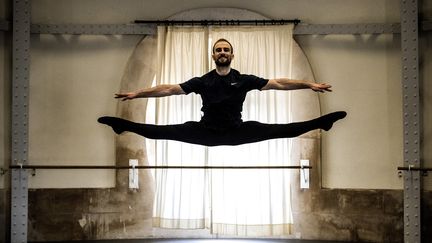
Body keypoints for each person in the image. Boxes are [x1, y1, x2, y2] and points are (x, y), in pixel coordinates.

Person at [98, 38, 346, 146]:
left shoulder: (244, 79)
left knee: (280, 130)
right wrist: (137, 94)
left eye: (226, 49)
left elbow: (279, 84)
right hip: (205, 132)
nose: (222, 53)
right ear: (213, 55)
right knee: (161, 132)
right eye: (218, 50)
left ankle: (321, 124)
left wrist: (309, 85)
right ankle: (122, 125)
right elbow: (169, 89)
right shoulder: (203, 81)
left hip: (237, 131)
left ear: (232, 55)